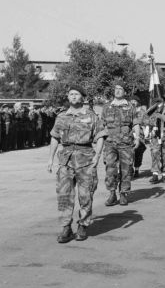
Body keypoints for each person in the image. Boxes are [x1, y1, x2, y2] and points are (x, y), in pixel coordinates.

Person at [47, 86, 107, 243]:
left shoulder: (91, 116)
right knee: (64, 195)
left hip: (86, 159)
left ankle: (83, 225)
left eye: (76, 94)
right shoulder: (61, 117)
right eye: (71, 94)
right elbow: (54, 137)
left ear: (82, 98)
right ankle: (66, 227)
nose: (73, 97)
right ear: (68, 97)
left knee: (85, 195)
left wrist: (98, 156)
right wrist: (50, 158)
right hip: (66, 160)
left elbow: (100, 135)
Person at [100, 84, 141, 206]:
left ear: (124, 92)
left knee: (126, 169)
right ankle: (112, 194)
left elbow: (135, 124)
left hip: (126, 143)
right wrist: (99, 140)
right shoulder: (107, 106)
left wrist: (137, 138)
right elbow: (101, 125)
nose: (117, 91)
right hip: (110, 143)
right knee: (110, 168)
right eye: (116, 89)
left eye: (120, 89)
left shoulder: (130, 107)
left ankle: (123, 193)